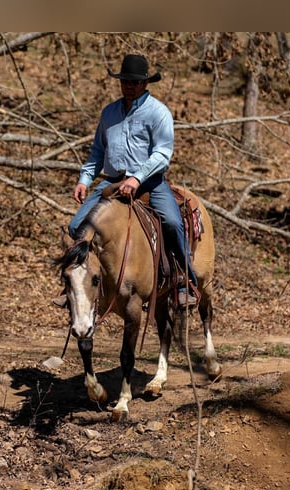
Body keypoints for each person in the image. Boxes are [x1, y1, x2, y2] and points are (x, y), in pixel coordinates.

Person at [67, 54, 198, 307]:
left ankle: (184, 280)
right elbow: (97, 151)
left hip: (150, 182)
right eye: (125, 80)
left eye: (135, 81)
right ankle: (81, 285)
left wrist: (137, 179)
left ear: (145, 83)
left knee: (171, 222)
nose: (129, 85)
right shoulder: (109, 112)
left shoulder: (158, 113)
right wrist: (84, 179)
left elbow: (162, 154)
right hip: (112, 182)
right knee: (76, 227)